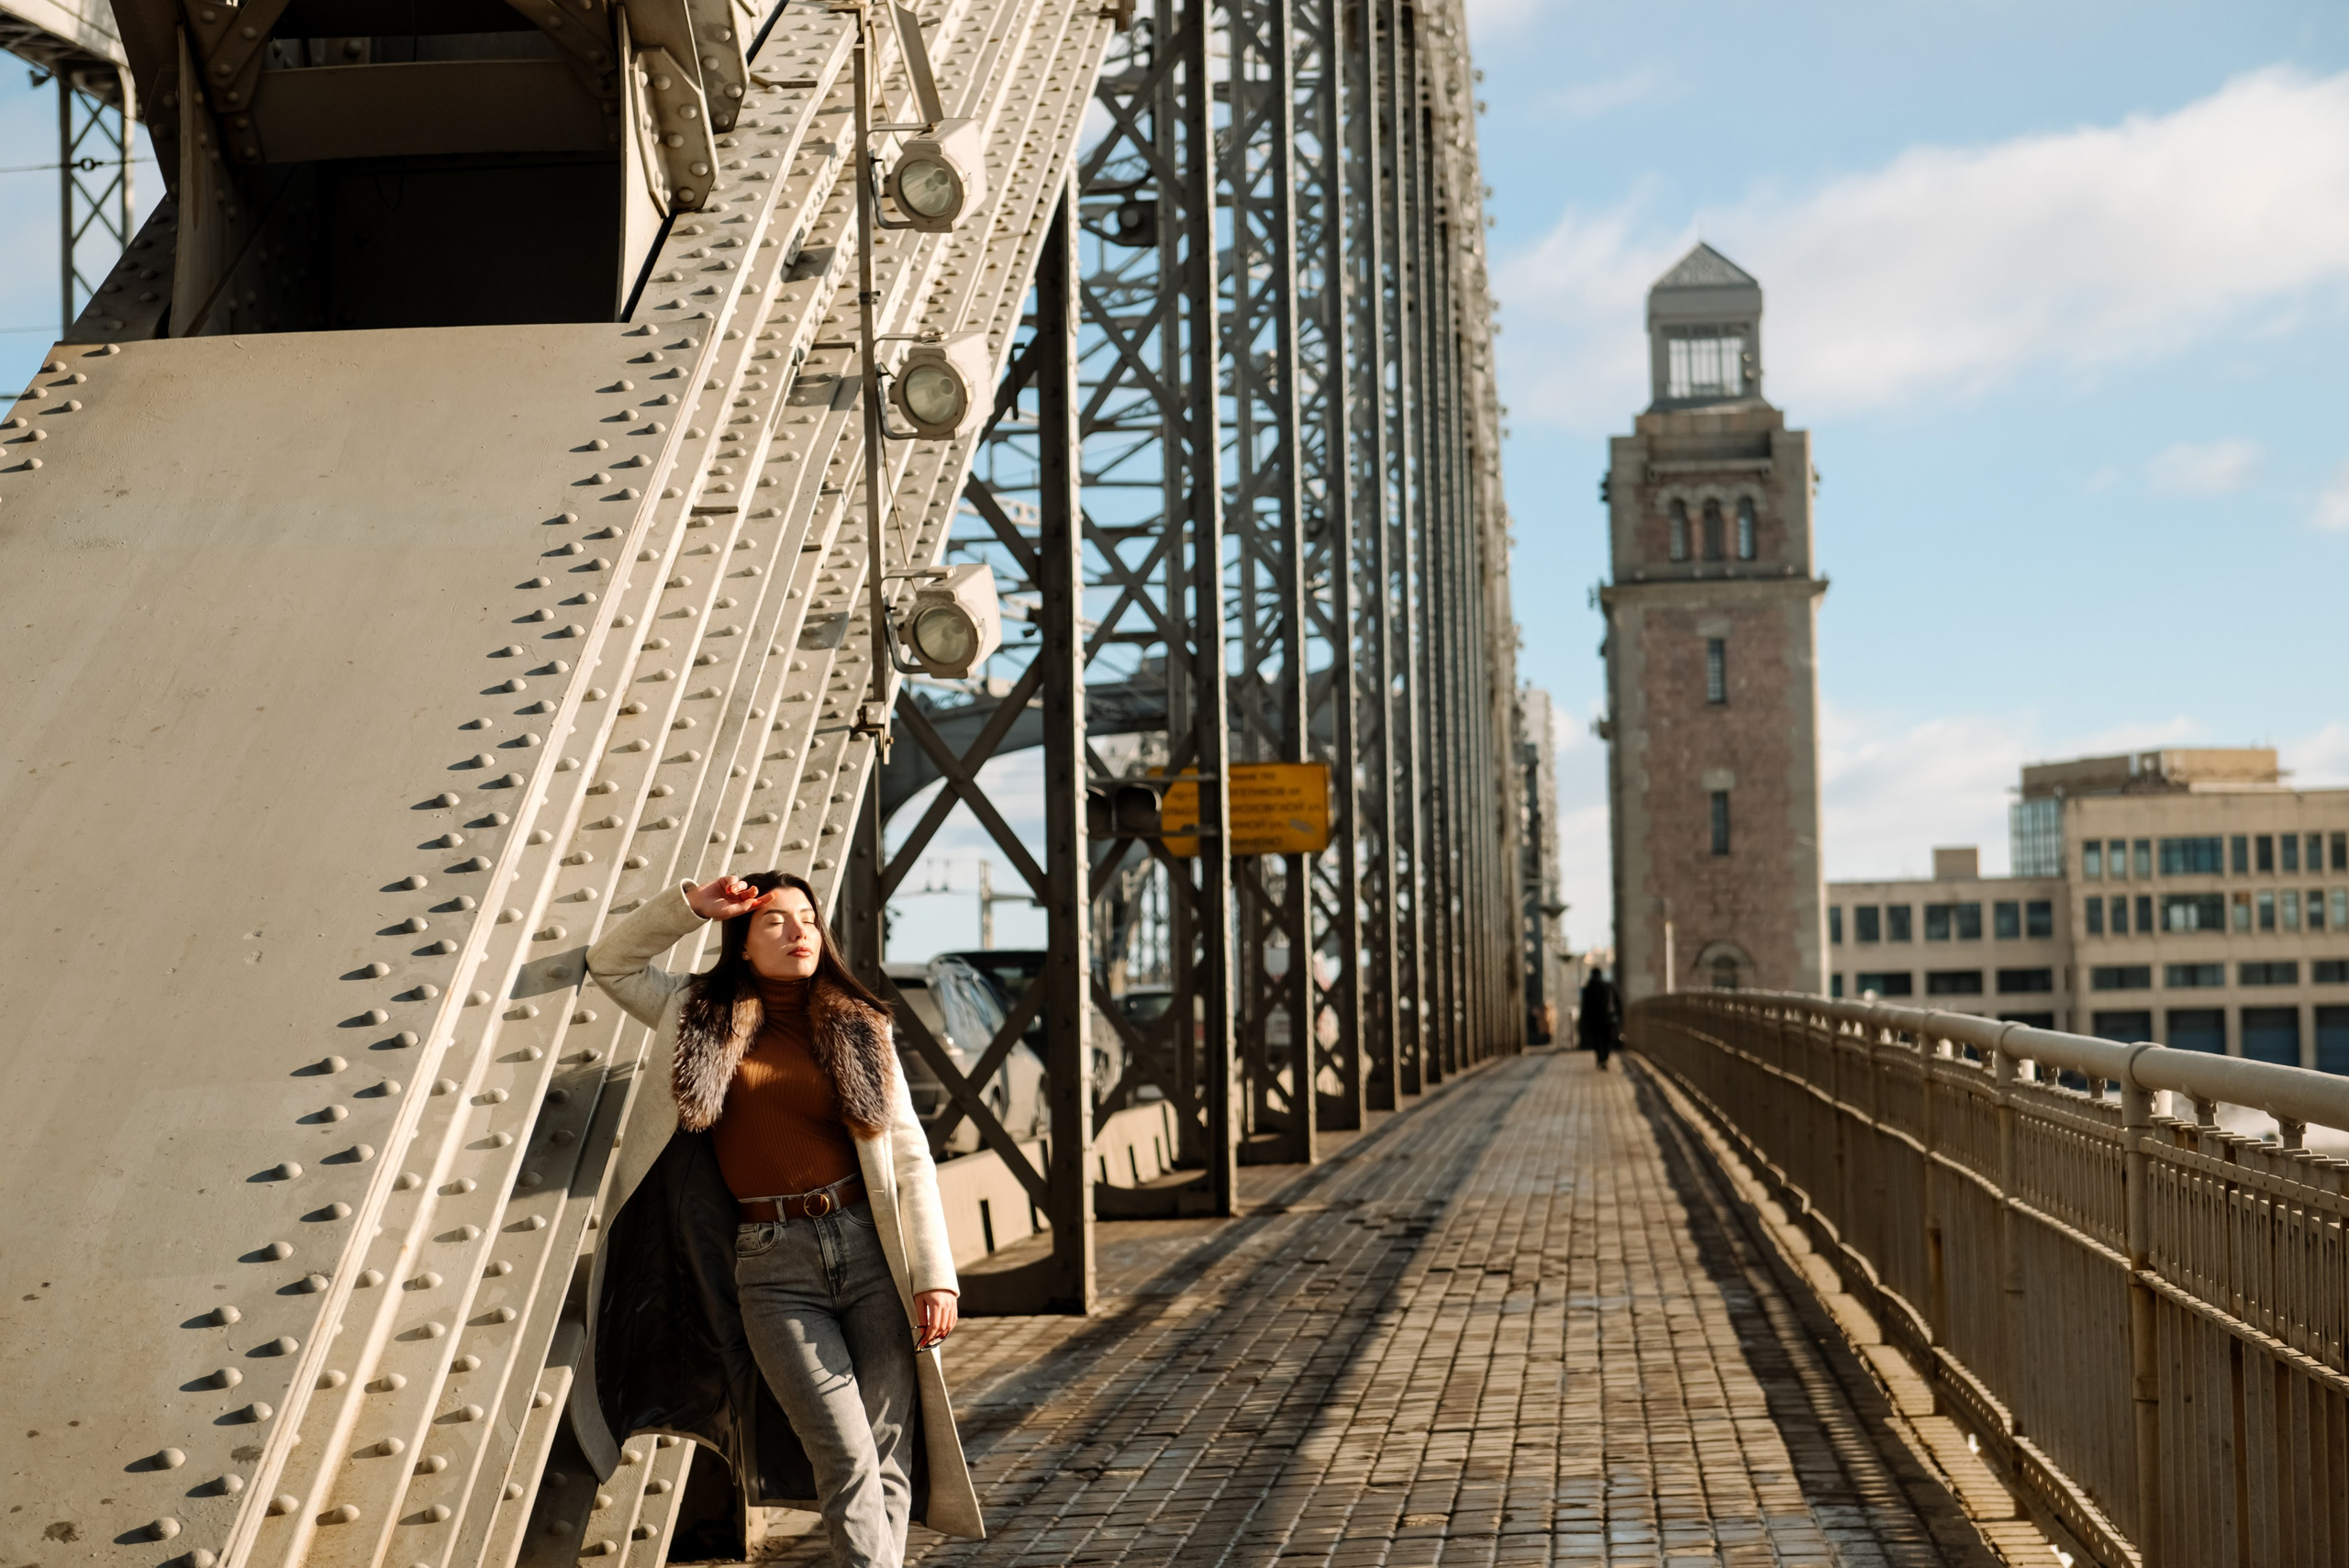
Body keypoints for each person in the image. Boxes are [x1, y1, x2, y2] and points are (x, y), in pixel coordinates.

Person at [585, 871, 982, 1566]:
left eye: (808, 918)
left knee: (887, 1454)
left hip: (872, 1253)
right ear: (741, 942)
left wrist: (936, 1275)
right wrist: (690, 908)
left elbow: (910, 1155)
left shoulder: (862, 1024)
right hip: (773, 1266)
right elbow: (610, 963)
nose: (800, 931)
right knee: (845, 1451)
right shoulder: (694, 1013)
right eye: (776, 921)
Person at [1578, 968, 1622, 1070]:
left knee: (1597, 1040)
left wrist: (1584, 1021)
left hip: (1594, 1020)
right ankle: (1605, 1058)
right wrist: (1618, 1017)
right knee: (1607, 1039)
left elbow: (1585, 1006)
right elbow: (1618, 1003)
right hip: (1608, 1018)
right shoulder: (1609, 986)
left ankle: (1599, 1058)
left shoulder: (1588, 988)